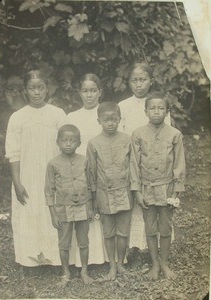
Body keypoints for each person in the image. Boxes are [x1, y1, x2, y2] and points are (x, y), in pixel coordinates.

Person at [5, 70, 66, 273]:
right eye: (32, 88)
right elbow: (13, 153)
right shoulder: (17, 117)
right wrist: (17, 181)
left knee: (52, 212)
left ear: (47, 89)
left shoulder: (58, 114)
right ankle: (30, 260)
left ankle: (55, 258)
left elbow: (65, 147)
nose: (37, 92)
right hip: (27, 176)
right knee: (28, 213)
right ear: (25, 91)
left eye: (40, 88)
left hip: (51, 172)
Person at [130, 92, 186, 280]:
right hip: (146, 188)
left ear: (167, 111)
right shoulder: (138, 134)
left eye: (161, 108)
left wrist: (176, 192)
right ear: (145, 111)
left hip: (167, 189)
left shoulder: (175, 135)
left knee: (165, 228)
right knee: (150, 227)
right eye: (152, 108)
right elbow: (134, 164)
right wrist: (137, 191)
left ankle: (164, 263)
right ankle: (154, 264)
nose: (156, 112)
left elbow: (179, 163)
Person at [119, 62, 171, 250]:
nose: (138, 84)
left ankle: (152, 248)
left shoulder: (157, 104)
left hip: (154, 164)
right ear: (129, 82)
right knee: (133, 206)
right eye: (134, 80)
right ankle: (133, 248)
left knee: (153, 204)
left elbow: (167, 136)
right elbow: (121, 136)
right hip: (130, 161)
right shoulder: (123, 106)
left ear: (151, 81)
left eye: (143, 80)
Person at [87, 102, 132, 280]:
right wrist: (93, 197)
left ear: (120, 119)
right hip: (103, 193)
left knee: (123, 230)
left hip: (124, 192)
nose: (110, 123)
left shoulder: (127, 140)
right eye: (106, 120)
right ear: (99, 121)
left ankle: (121, 263)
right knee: (109, 231)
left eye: (114, 119)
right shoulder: (93, 143)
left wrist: (134, 189)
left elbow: (133, 167)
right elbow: (91, 172)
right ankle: (112, 266)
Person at [45, 124, 94, 287]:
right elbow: (49, 191)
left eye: (72, 140)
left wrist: (91, 206)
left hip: (83, 206)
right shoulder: (53, 164)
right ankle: (66, 273)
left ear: (79, 143)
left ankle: (84, 271)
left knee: (83, 241)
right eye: (64, 140)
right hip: (63, 209)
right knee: (64, 243)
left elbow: (90, 185)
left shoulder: (84, 161)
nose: (68, 144)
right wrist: (53, 214)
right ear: (57, 142)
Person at [65, 73, 106, 266]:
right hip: (80, 171)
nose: (89, 95)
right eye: (85, 91)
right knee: (82, 210)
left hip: (102, 168)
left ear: (100, 92)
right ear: (79, 93)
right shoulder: (72, 117)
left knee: (101, 208)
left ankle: (105, 256)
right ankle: (83, 259)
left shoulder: (106, 114)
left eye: (93, 91)